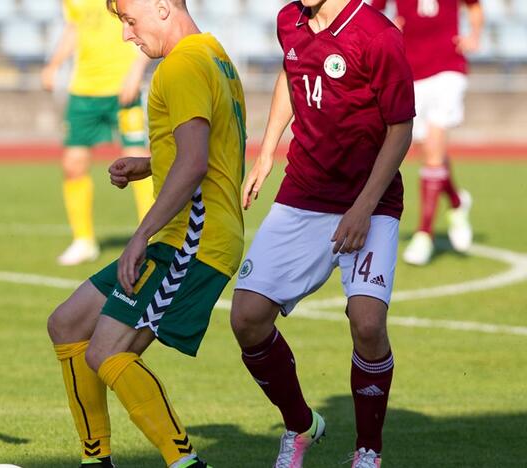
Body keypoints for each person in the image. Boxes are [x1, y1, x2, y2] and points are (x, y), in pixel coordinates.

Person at [47, 0, 246, 466]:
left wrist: (140, 234)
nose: (126, 36)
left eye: (130, 21)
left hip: (192, 241)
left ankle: (185, 462)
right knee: (68, 323)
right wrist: (147, 164)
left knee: (108, 353)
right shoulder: (213, 54)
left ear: (161, 8)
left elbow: (195, 162)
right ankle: (96, 459)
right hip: (186, 235)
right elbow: (210, 148)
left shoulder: (181, 66)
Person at [230, 0, 414, 467]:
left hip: (369, 200)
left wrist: (363, 208)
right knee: (246, 318)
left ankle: (368, 450)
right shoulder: (289, 20)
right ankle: (299, 426)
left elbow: (400, 129)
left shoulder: (378, 35)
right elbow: (292, 76)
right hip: (304, 194)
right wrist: (267, 150)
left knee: (368, 323)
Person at [369, 0, 483, 266]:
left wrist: (474, 36)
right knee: (432, 152)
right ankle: (456, 202)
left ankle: (425, 234)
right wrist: (388, 28)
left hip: (448, 68)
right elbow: (373, 12)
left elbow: (474, 6)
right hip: (411, 71)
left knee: (433, 147)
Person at [42, 0, 154, 266]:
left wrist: (136, 71)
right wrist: (54, 65)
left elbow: (146, 24)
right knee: (73, 164)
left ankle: (152, 236)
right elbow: (75, 28)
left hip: (123, 88)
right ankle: (83, 241)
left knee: (139, 162)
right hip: (83, 91)